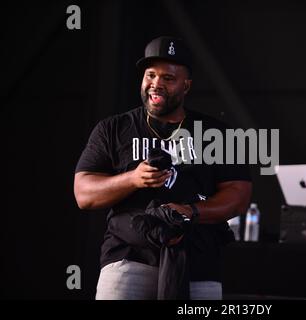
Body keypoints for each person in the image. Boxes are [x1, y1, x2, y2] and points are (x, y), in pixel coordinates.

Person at [74, 36, 252, 300]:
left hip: (197, 263)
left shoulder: (218, 134)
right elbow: (84, 194)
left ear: (186, 85)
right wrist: (133, 179)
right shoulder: (113, 128)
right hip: (128, 259)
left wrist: (189, 211)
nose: (156, 84)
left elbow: (238, 198)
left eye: (168, 78)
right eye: (150, 75)